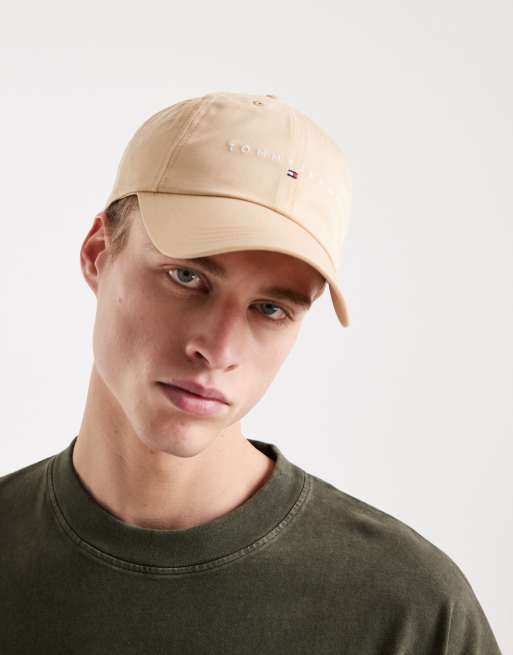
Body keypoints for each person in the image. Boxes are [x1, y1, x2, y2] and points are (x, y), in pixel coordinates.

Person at [0, 91, 502, 654]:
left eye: (270, 309)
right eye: (188, 277)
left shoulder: (411, 613)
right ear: (98, 252)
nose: (217, 349)